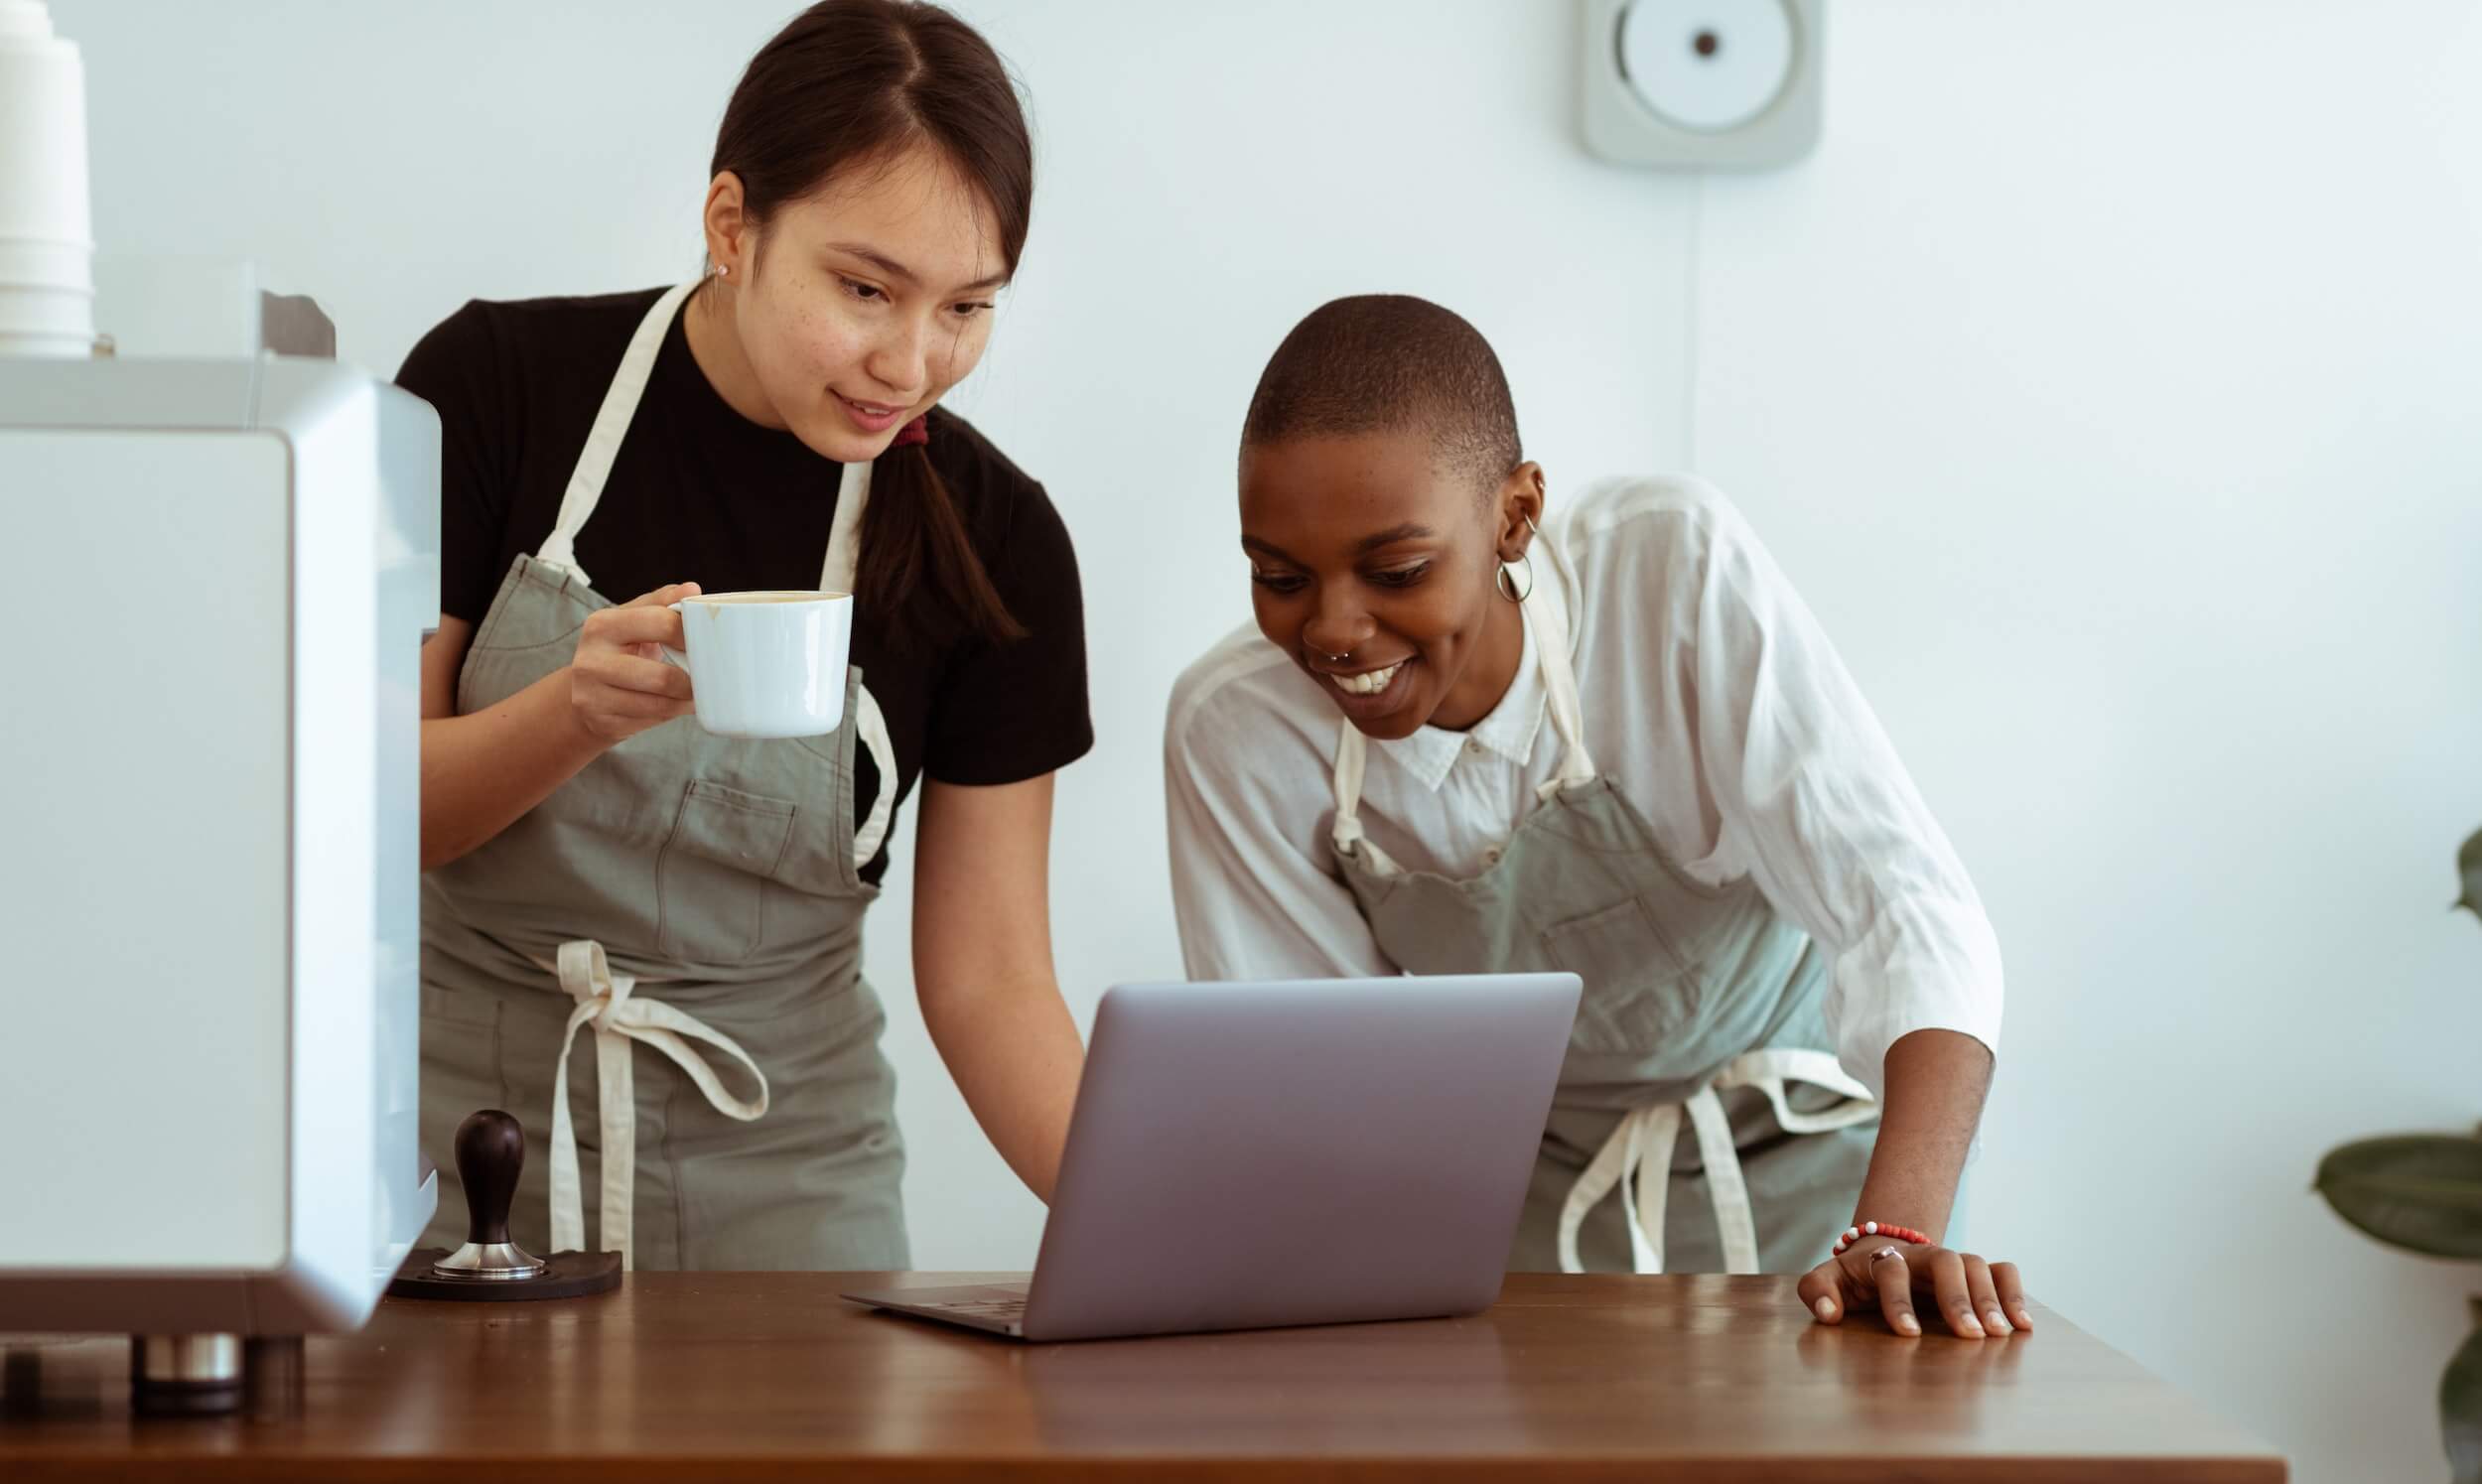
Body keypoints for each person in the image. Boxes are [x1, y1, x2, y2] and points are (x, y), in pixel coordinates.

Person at [1165, 295, 2028, 1336]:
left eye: (1396, 572)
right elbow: (1311, 1088)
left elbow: (1907, 911)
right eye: (1278, 577)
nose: (1334, 631)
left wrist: (1896, 1232)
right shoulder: (1238, 728)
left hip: (1826, 1180)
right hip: (1520, 1201)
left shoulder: (1667, 572)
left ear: (1514, 515)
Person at [398, 0, 1088, 1271]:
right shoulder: (492, 386)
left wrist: (1172, 1233)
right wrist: (569, 714)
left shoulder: (1001, 543)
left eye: (966, 309)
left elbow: (992, 983)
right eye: (866, 289)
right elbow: (373, 819)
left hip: (791, 1187)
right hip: (455, 1162)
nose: (912, 362)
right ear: (733, 226)